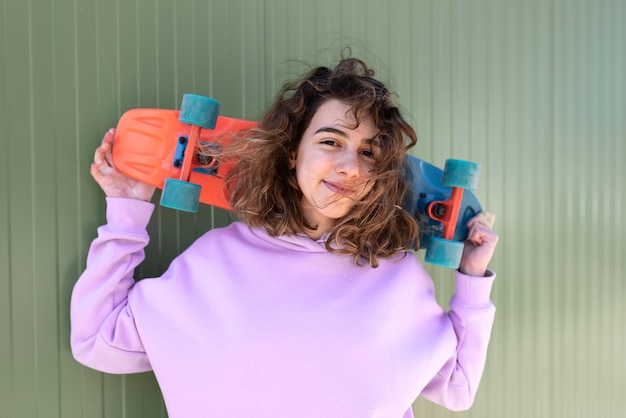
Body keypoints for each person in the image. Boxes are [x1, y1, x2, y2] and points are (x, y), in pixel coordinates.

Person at [71, 56, 499, 418]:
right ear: (292, 151)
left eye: (368, 153)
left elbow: (456, 387)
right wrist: (126, 215)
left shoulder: (397, 276)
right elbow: (95, 340)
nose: (350, 165)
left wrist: (473, 279)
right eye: (331, 141)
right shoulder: (218, 261)